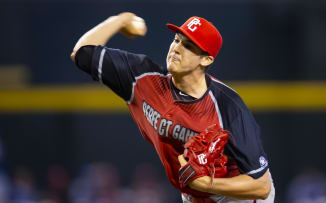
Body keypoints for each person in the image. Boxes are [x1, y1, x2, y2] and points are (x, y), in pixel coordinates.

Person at [70, 12, 275, 203]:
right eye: (176, 39)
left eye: (188, 46)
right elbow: (82, 52)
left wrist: (206, 183)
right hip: (194, 195)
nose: (176, 48)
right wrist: (121, 19)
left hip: (239, 196)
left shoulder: (227, 106)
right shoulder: (143, 79)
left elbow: (261, 186)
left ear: (206, 59)